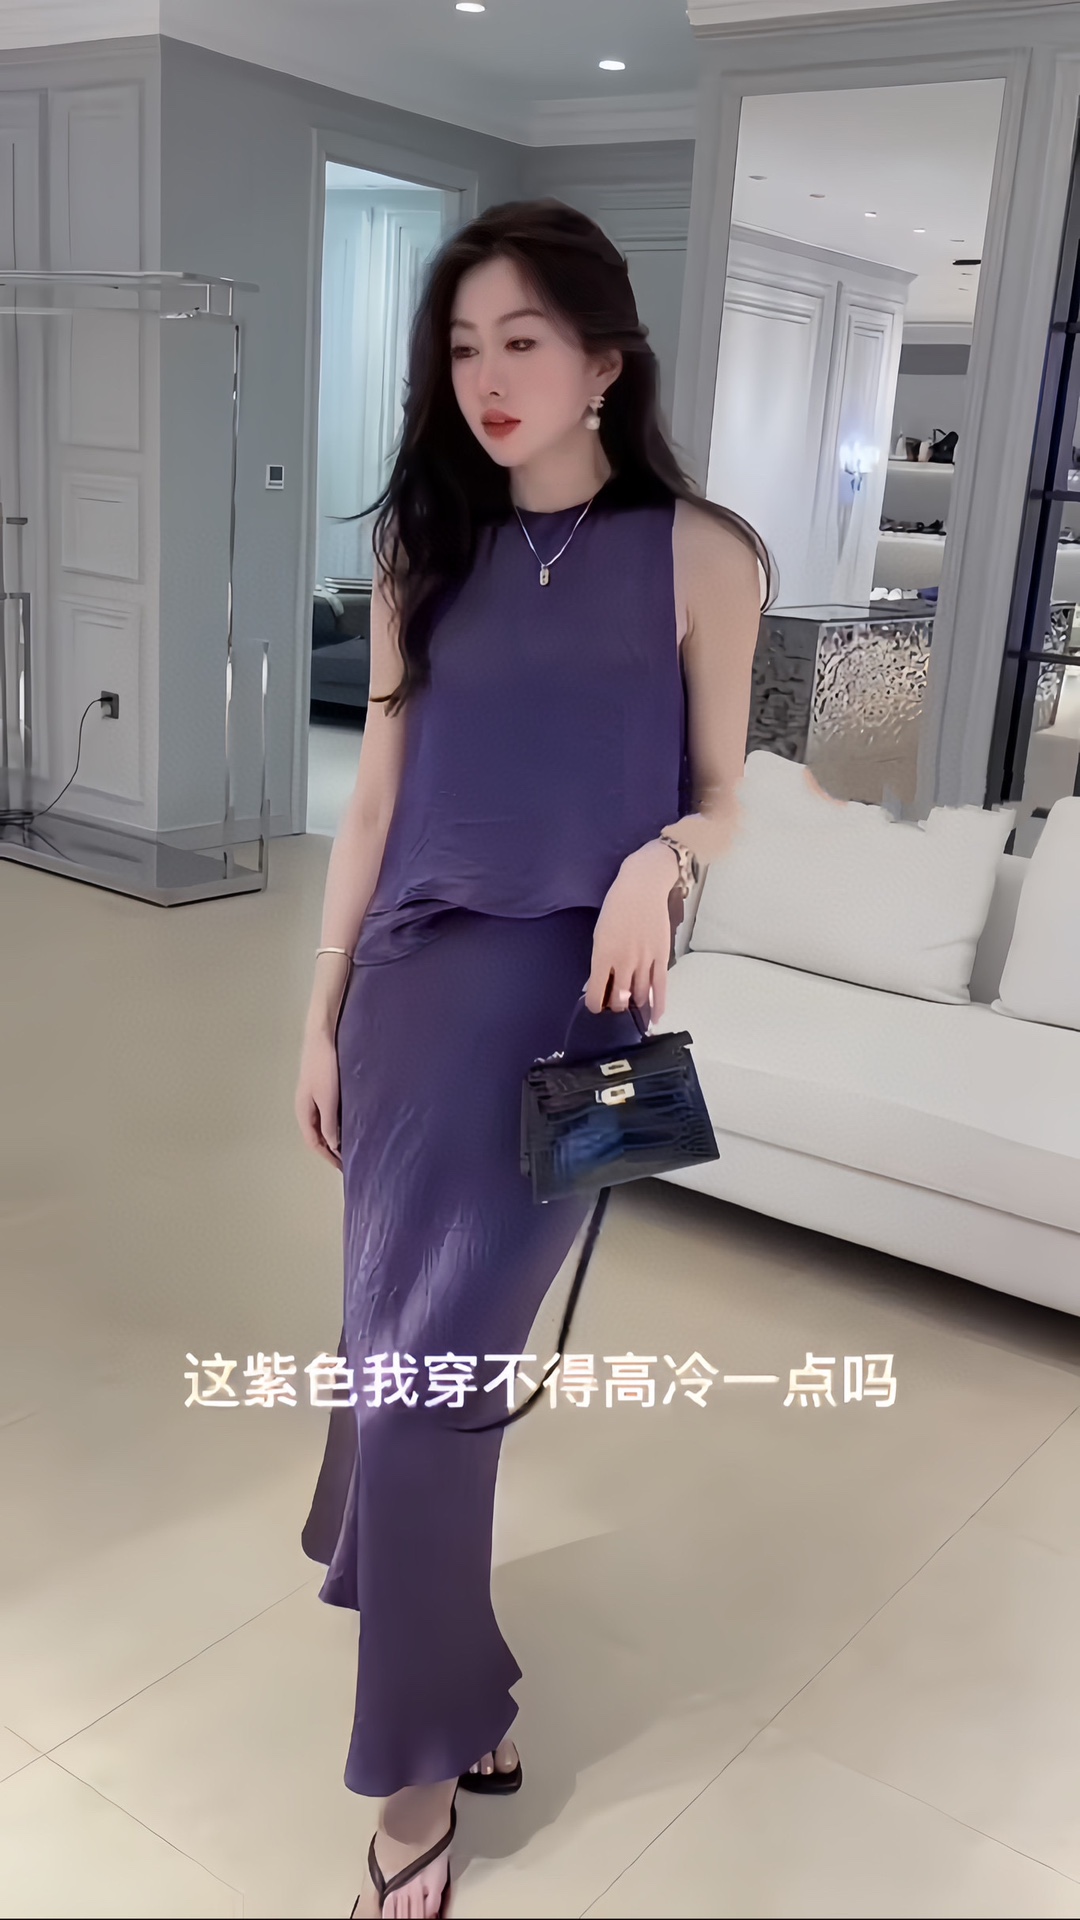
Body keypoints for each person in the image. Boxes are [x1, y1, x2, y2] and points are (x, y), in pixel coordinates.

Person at [294, 198, 769, 1920]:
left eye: (523, 342)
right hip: (412, 1001)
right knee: (404, 1369)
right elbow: (373, 803)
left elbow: (723, 792)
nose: (487, 378)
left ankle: (417, 1773)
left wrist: (663, 860)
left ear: (604, 362)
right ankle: (456, 1709)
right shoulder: (425, 544)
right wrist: (320, 1010)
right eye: (461, 347)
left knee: (430, 1378)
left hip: (583, 1021)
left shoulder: (703, 553)